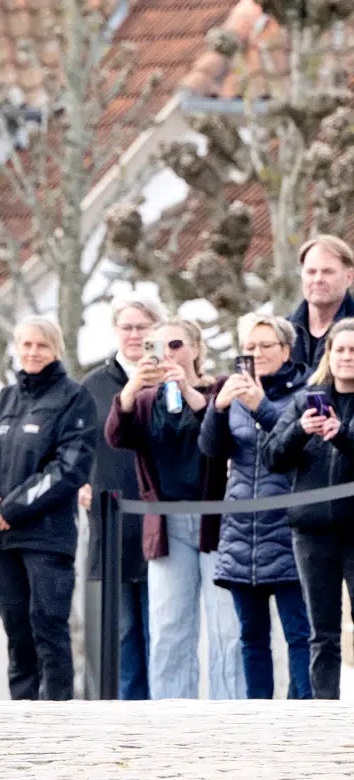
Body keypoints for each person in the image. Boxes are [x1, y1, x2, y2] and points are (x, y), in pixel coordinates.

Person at [106, 317, 244, 700]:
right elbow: (117, 436)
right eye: (159, 346)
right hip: (166, 522)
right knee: (169, 626)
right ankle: (171, 713)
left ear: (196, 348)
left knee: (226, 626)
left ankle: (230, 712)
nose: (168, 354)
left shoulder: (216, 389)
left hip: (216, 522)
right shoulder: (148, 401)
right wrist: (133, 387)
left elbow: (221, 432)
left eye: (177, 345)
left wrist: (187, 389)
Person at [0, 317, 95, 701]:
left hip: (46, 539)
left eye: (41, 345)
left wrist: (12, 507)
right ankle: (20, 714)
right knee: (16, 633)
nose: (32, 352)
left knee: (48, 630)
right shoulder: (6, 398)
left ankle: (56, 717)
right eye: (25, 345)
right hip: (2, 541)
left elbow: (68, 468)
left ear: (55, 349)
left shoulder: (74, 398)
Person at [201, 313, 311, 699]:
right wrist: (218, 407)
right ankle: (258, 715)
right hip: (242, 530)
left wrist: (261, 404)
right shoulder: (234, 394)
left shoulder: (307, 389)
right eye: (250, 347)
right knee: (251, 636)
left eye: (266, 346)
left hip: (289, 527)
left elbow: (299, 440)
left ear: (286, 350)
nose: (257, 353)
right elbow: (211, 450)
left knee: (300, 632)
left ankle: (303, 711)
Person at [79, 297, 163, 700]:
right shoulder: (92, 386)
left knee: (161, 629)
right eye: (127, 327)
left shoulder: (171, 380)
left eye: (142, 327)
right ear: (116, 332)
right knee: (124, 632)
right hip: (110, 523)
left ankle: (164, 713)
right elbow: (73, 447)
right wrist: (77, 482)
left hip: (160, 521)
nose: (134, 336)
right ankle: (130, 718)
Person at [267, 317, 354, 699]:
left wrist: (344, 437)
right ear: (328, 355)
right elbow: (273, 456)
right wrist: (301, 429)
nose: (347, 357)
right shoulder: (306, 399)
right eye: (340, 349)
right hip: (312, 529)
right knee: (322, 631)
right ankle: (324, 714)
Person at [288, 235, 354, 376]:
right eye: (311, 272)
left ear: (349, 278)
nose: (318, 279)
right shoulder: (283, 334)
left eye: (327, 272)